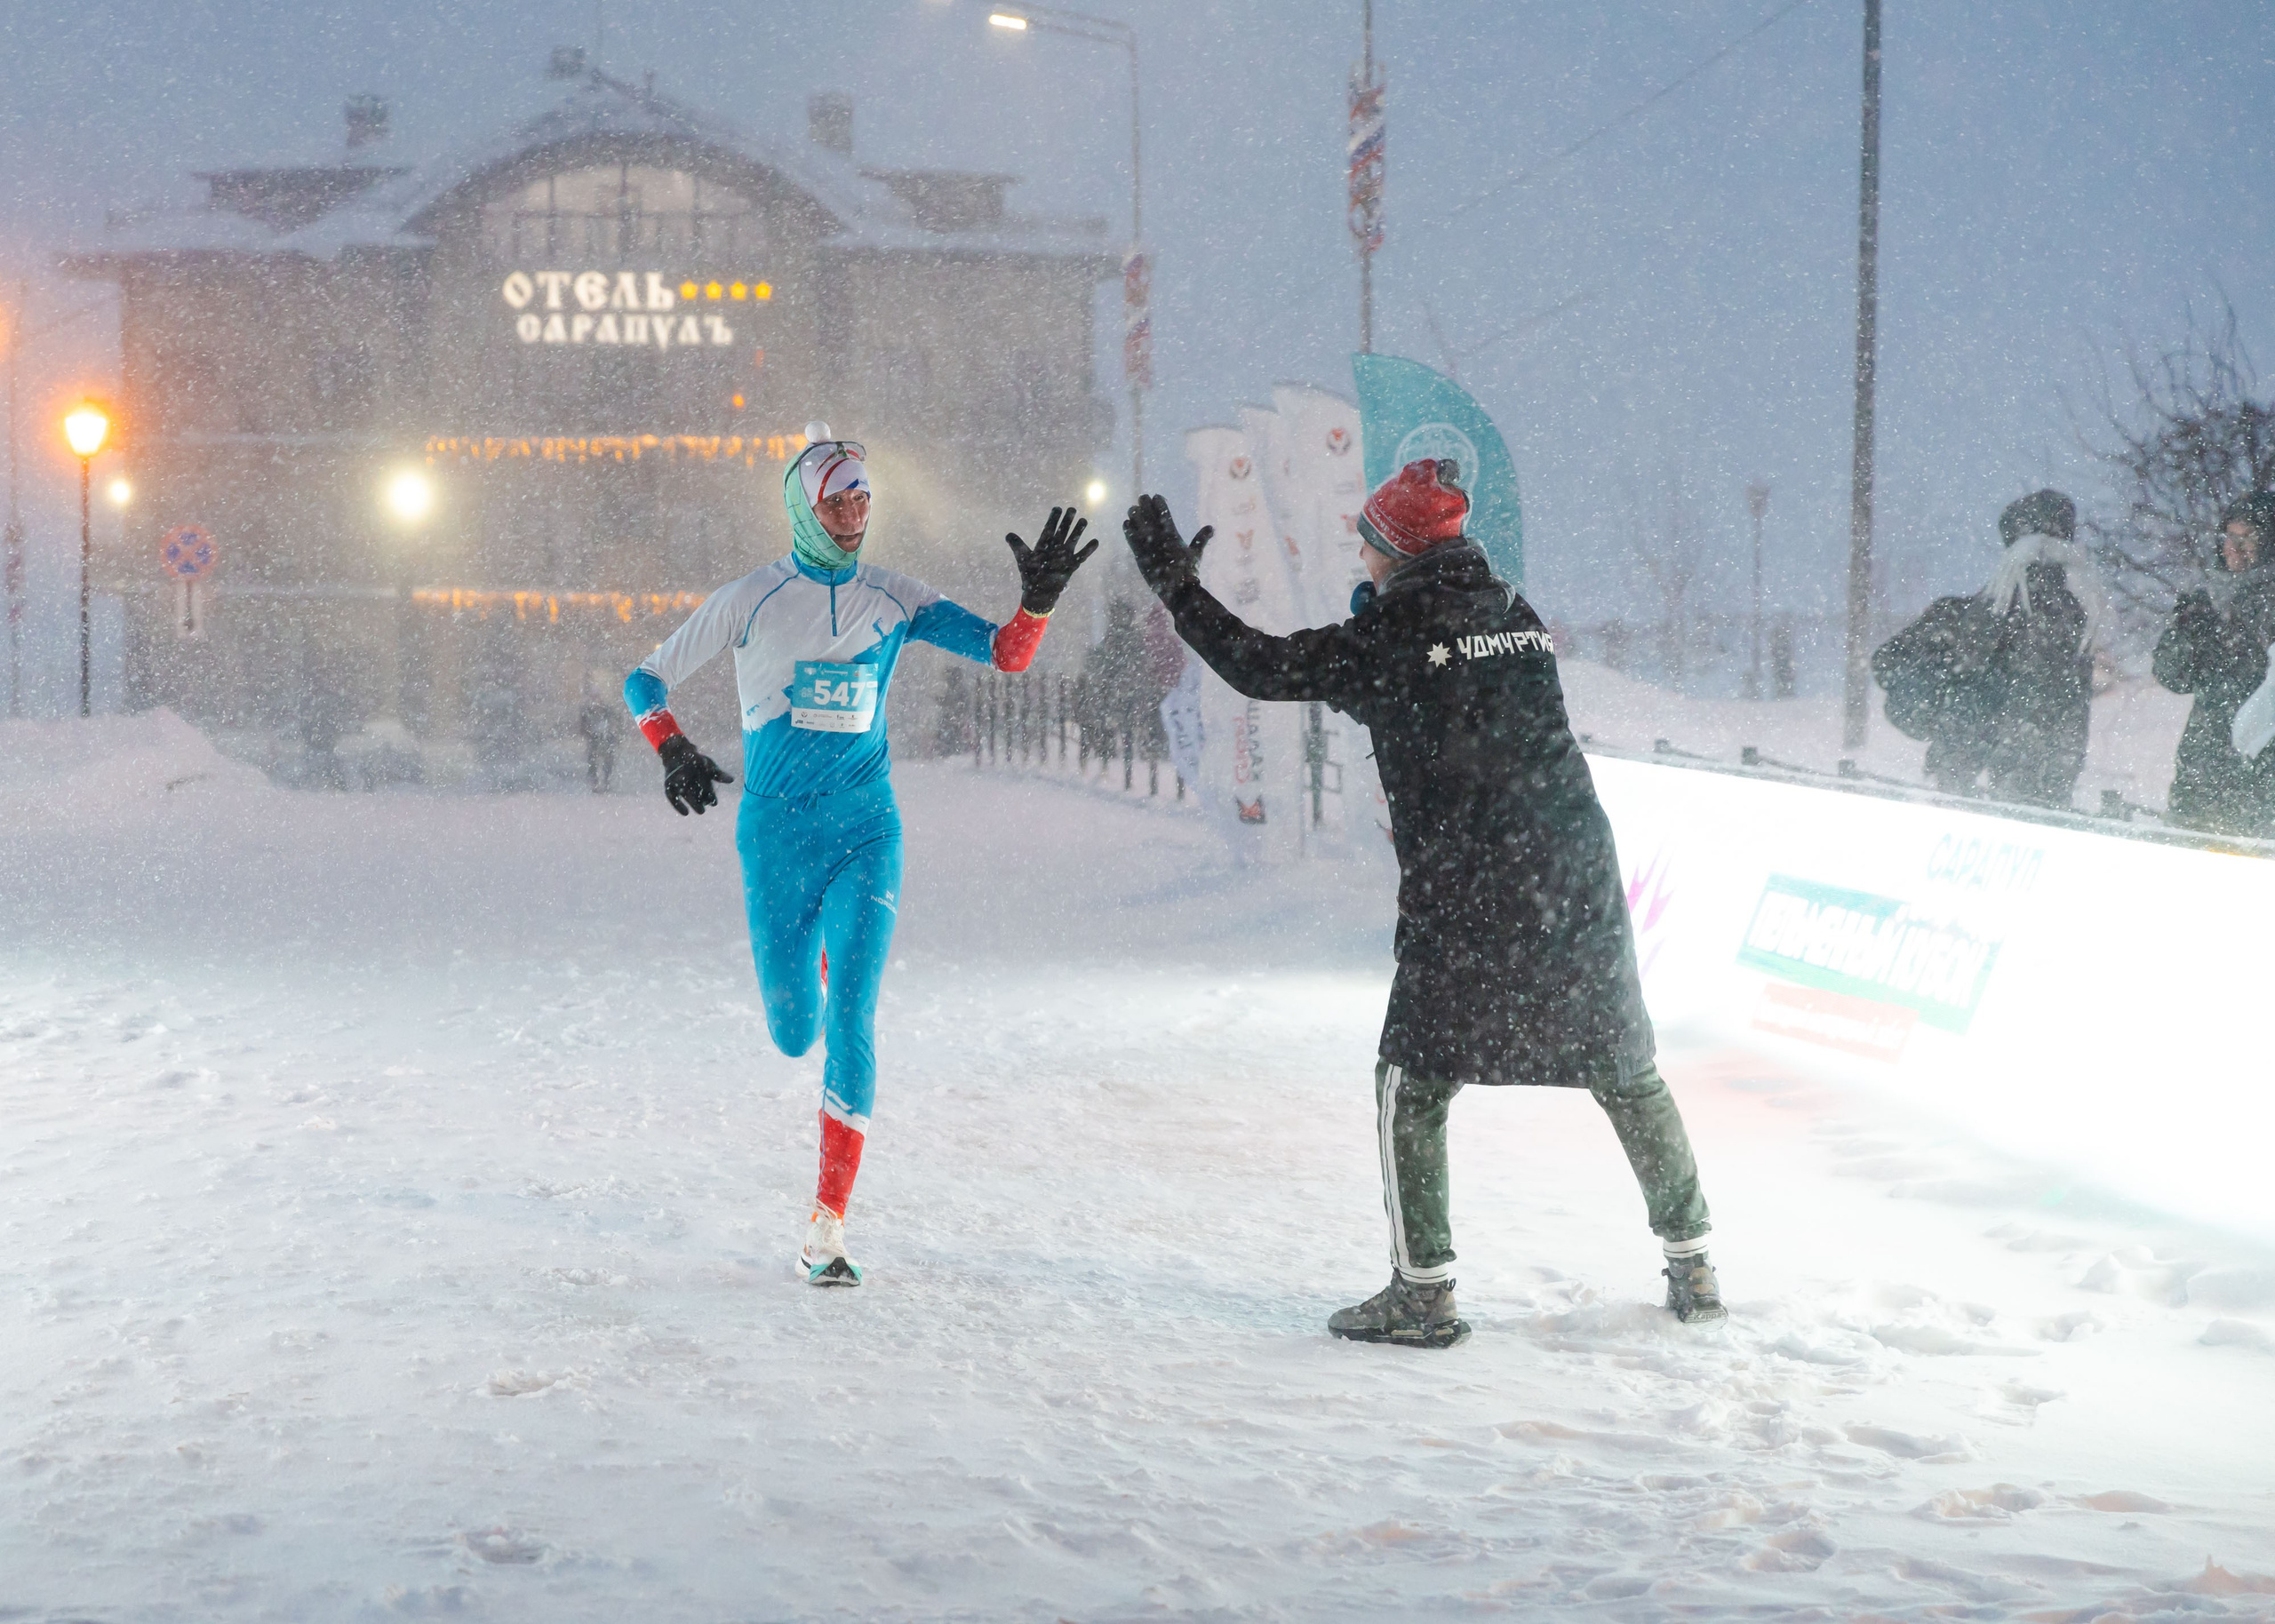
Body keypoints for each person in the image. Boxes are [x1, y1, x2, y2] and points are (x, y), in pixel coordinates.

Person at [1122, 462, 1720, 1348]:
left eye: (1365, 537)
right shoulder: (1515, 612)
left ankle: (1423, 1291)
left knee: (1413, 1083)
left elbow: (1260, 666)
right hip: (1575, 871)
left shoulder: (1392, 638)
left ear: (1394, 546)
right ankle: (1694, 1267)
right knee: (1624, 1068)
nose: (1357, 552)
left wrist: (1178, 589)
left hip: (1470, 887)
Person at [624, 423, 1098, 1286]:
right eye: (837, 498)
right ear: (805, 507)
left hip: (866, 831)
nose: (854, 512)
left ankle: (826, 1226)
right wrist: (671, 746)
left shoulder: (895, 597)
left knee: (852, 1017)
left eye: (863, 498)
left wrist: (1038, 601)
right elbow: (642, 679)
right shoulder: (750, 599)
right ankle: (805, 982)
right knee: (792, 1028)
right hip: (775, 837)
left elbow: (1007, 654)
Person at [1872, 490, 2108, 808]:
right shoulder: (2080, 620)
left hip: (1980, 786)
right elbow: (1889, 663)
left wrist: (1941, 698)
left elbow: (1887, 664)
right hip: (2015, 788)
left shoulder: (1966, 615)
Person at [2154, 491, 2275, 838]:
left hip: (2260, 770)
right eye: (2229, 537)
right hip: (2202, 764)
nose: (2234, 548)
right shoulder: (2208, 596)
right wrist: (2189, 633)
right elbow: (2171, 676)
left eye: (2248, 539)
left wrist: (2246, 648)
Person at [577, 680, 620, 792]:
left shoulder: (605, 709)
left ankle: (605, 781)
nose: (595, 699)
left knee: (606, 760)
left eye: (596, 696)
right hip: (595, 738)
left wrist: (613, 732)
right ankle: (596, 782)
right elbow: (583, 725)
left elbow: (614, 721)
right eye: (593, 696)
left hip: (605, 737)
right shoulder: (587, 710)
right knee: (593, 760)